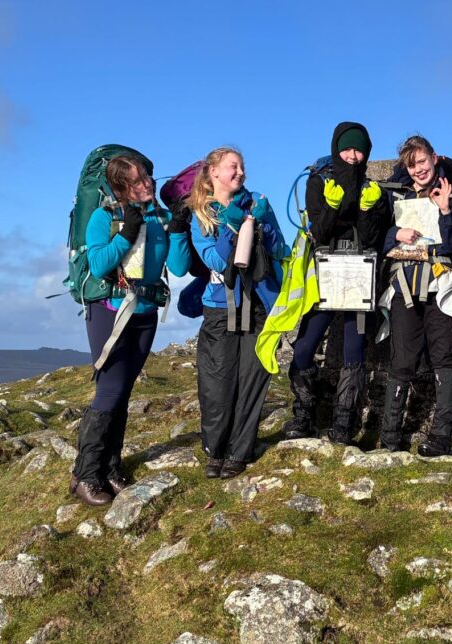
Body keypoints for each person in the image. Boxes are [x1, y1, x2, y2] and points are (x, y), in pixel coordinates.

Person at [71, 154, 191, 505]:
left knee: (123, 390)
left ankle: (110, 469)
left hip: (146, 310)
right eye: (137, 181)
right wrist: (125, 234)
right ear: (121, 188)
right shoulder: (103, 217)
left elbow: (179, 267)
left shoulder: (160, 216)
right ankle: (85, 475)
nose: (147, 185)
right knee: (109, 389)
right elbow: (98, 263)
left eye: (148, 178)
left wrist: (179, 229)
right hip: (110, 309)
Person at [283, 122, 389, 445]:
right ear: (336, 148)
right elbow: (320, 233)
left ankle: (344, 424)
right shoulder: (318, 183)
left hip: (359, 274)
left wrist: (370, 211)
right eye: (347, 149)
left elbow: (373, 239)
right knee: (303, 347)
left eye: (358, 150)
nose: (352, 156)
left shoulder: (373, 190)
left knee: (354, 352)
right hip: (324, 274)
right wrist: (331, 207)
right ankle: (304, 414)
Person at [189, 147, 289, 479]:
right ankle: (215, 450)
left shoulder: (258, 202)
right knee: (217, 385)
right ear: (213, 171)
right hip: (220, 308)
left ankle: (239, 452)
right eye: (234, 166)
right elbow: (216, 263)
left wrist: (266, 227)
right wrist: (232, 227)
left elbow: (280, 250)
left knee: (252, 379)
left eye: (243, 167)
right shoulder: (201, 212)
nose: (241, 172)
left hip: (258, 305)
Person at [378, 136, 452, 455]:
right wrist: (394, 234)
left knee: (445, 357)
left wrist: (444, 211)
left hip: (440, 285)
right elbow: (378, 235)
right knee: (402, 359)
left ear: (434, 158)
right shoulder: (394, 193)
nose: (418, 171)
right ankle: (389, 438)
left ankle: (441, 437)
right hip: (404, 284)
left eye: (423, 163)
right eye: (412, 165)